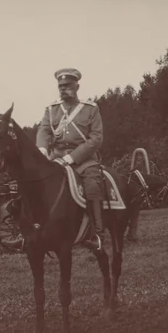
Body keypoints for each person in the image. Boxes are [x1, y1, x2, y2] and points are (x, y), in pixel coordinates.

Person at [35, 68, 108, 250]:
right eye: (60, 86)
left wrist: (71, 158)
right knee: (33, 185)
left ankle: (98, 234)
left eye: (67, 85)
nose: (63, 89)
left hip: (84, 160)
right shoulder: (52, 110)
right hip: (55, 158)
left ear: (77, 86)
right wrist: (42, 149)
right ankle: (28, 232)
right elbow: (44, 130)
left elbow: (96, 138)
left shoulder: (90, 109)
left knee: (92, 185)